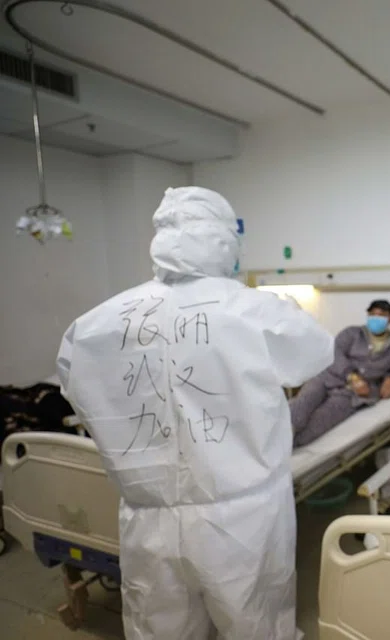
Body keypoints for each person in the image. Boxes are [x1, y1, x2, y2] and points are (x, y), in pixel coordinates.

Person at [56, 187, 335, 639]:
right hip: (241, 523)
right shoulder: (255, 310)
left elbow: (76, 388)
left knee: (159, 630)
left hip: (148, 521)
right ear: (225, 240)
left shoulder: (93, 325)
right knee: (256, 627)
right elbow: (317, 353)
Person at [289, 299, 390, 447]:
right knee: (302, 404)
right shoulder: (352, 333)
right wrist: (351, 375)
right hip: (326, 379)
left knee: (321, 420)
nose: (376, 319)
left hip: (352, 394)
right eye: (373, 315)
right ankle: (276, 438)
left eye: (381, 315)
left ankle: (291, 446)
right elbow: (334, 353)